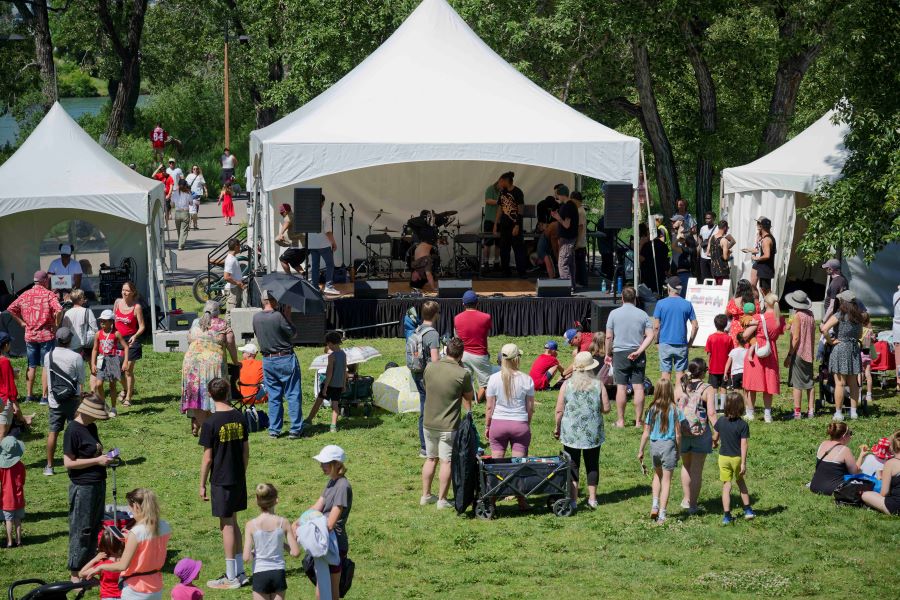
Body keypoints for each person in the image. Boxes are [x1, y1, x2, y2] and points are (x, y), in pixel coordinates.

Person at [200, 378, 250, 589]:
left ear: (210, 395)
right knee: (234, 522)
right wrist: (241, 472)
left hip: (221, 480)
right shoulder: (240, 416)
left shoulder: (210, 423)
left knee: (226, 525)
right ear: (228, 392)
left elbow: (208, 458)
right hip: (238, 477)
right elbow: (246, 451)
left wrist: (202, 483)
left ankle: (231, 577)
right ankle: (240, 572)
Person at [81, 488, 172, 600]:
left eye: (130, 508)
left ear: (136, 507)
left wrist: (100, 566)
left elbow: (122, 566)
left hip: (136, 589)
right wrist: (130, 539)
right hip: (156, 586)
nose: (131, 512)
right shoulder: (165, 526)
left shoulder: (136, 532)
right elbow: (149, 546)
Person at [63, 395, 112, 581]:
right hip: (83, 487)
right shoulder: (72, 430)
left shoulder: (91, 426)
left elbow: (95, 452)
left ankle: (89, 569)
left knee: (95, 526)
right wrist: (97, 461)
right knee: (81, 529)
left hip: (98, 482)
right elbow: (69, 463)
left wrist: (104, 458)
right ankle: (75, 573)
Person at [420, 338, 473, 509]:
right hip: (448, 424)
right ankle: (442, 500)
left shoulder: (430, 367)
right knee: (446, 462)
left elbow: (427, 387)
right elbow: (469, 397)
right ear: (461, 354)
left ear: (446, 350)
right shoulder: (462, 373)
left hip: (428, 422)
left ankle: (425, 495)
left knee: (430, 459)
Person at [554, 351, 609, 510]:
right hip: (593, 432)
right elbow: (606, 408)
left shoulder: (566, 385)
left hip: (571, 432)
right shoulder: (598, 384)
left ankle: (573, 499)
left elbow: (559, 410)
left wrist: (557, 428)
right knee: (592, 464)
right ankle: (592, 499)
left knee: (573, 464)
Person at [253, 291, 304, 439]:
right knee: (293, 394)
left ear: (263, 301)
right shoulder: (278, 316)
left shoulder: (256, 317)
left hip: (268, 360)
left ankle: (274, 430)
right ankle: (295, 429)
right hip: (285, 358)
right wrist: (288, 317)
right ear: (274, 301)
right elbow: (293, 334)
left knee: (274, 396)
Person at [6, 270, 62, 404]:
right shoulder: (49, 295)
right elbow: (59, 309)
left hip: (30, 336)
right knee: (45, 366)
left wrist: (21, 322)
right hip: (46, 336)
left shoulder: (25, 295)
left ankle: (29, 396)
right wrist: (56, 324)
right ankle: (44, 397)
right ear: (45, 281)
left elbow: (10, 309)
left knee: (31, 365)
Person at [605, 286, 655, 428]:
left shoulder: (613, 314)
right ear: (635, 299)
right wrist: (639, 351)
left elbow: (609, 336)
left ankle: (621, 421)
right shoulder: (643, 314)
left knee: (621, 387)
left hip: (620, 352)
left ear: (622, 298)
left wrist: (608, 353)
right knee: (638, 387)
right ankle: (638, 421)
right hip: (637, 353)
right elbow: (650, 335)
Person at [307, 445, 352, 600]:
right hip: (323, 541)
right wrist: (299, 522)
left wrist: (308, 530)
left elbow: (331, 523)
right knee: (321, 591)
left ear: (337, 463)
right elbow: (316, 507)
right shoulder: (331, 482)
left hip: (335, 544)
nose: (321, 466)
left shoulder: (342, 486)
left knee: (332, 593)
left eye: (325, 463)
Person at [243, 483, 300, 600]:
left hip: (260, 574)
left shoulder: (250, 525)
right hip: (278, 573)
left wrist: (255, 551)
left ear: (257, 500)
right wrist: (281, 544)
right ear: (276, 500)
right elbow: (295, 553)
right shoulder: (283, 522)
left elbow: (246, 558)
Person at [637, 380, 682, 524]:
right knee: (667, 481)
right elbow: (678, 434)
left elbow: (646, 432)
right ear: (670, 391)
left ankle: (655, 505)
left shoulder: (651, 409)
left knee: (657, 475)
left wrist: (641, 450)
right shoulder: (675, 409)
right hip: (668, 446)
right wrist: (679, 450)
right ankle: (662, 514)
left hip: (654, 445)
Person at [677, 358, 717, 515]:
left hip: (683, 430)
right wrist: (717, 432)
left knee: (686, 465)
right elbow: (712, 413)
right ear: (704, 372)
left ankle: (686, 499)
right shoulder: (708, 389)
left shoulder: (682, 386)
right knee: (697, 470)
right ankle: (693, 505)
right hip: (700, 432)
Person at [181, 301, 228, 435]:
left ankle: (205, 427)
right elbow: (229, 340)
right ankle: (212, 428)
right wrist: (235, 360)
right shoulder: (222, 323)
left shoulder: (196, 322)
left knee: (197, 396)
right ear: (217, 312)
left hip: (192, 363)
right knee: (215, 393)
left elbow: (189, 339)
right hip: (212, 364)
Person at [43, 327, 84, 476]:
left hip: (55, 401)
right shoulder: (76, 357)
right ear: (70, 340)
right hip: (73, 400)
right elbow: (81, 380)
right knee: (75, 432)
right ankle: (74, 464)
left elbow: (47, 376)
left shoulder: (48, 356)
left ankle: (49, 467)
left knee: (53, 432)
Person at [485, 344, 534, 468]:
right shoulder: (527, 379)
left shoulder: (493, 379)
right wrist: (526, 424)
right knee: (518, 467)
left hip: (498, 424)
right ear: (517, 359)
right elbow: (530, 407)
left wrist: (487, 426)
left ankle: (497, 486)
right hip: (519, 424)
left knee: (496, 465)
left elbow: (490, 407)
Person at [740, 293, 785, 422]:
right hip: (771, 351)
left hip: (757, 350)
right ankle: (767, 414)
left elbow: (745, 335)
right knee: (768, 384)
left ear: (765, 303)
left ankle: (750, 413)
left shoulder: (758, 317)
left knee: (752, 384)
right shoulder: (780, 319)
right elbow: (780, 332)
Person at [821, 291, 864, 421]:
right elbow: (860, 334)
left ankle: (839, 413)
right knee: (853, 383)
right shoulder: (859, 317)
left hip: (840, 348)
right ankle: (854, 412)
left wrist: (830, 341)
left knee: (840, 383)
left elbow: (824, 329)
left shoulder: (840, 315)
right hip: (853, 349)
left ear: (843, 302)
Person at [714, 392, 755, 524]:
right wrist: (743, 463)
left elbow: (715, 437)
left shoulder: (720, 421)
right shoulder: (743, 425)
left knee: (727, 485)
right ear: (741, 407)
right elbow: (744, 444)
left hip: (723, 457)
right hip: (737, 458)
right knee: (741, 482)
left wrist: (714, 443)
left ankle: (726, 516)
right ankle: (748, 510)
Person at [653, 276, 699, 388]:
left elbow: (656, 326)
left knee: (665, 374)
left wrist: (656, 341)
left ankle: (665, 399)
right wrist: (690, 343)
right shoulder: (687, 304)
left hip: (665, 342)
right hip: (681, 343)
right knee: (680, 374)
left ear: (669, 288)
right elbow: (695, 326)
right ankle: (679, 399)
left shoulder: (660, 303)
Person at [409, 301, 440, 457]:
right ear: (436, 315)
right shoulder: (432, 334)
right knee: (432, 409)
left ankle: (424, 447)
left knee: (424, 408)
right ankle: (431, 445)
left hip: (416, 372)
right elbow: (435, 360)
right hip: (428, 375)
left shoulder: (418, 329)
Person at [454, 290, 492, 403]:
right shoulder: (486, 317)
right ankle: (484, 403)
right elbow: (485, 335)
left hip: (463, 354)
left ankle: (474, 402)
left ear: (463, 304)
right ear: (477, 303)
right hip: (480, 355)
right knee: (488, 383)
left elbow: (457, 337)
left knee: (466, 383)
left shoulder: (457, 318)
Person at [785, 290, 817, 419]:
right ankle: (811, 411)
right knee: (809, 383)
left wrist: (789, 355)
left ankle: (797, 412)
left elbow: (796, 338)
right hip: (809, 353)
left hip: (799, 353)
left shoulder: (798, 316)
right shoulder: (810, 314)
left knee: (797, 384)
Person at [307, 331, 347, 433]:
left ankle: (309, 420)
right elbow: (344, 371)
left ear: (331, 343)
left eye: (328, 344)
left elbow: (329, 374)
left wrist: (325, 388)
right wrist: (343, 384)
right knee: (335, 405)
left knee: (318, 402)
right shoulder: (343, 354)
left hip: (329, 385)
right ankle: (333, 426)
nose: (327, 346)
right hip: (338, 385)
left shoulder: (331, 356)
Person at [91, 309, 129, 415]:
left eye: (105, 320)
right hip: (101, 360)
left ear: (111, 322)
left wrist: (125, 361)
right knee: (99, 384)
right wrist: (93, 363)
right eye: (101, 320)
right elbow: (95, 349)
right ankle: (103, 404)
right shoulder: (98, 334)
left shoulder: (116, 334)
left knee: (112, 385)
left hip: (113, 360)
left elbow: (126, 347)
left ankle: (113, 408)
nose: (102, 322)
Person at [114, 281, 144, 407]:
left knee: (127, 371)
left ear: (133, 292)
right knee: (117, 371)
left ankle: (128, 397)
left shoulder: (136, 307)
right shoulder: (117, 303)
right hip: (117, 340)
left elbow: (142, 327)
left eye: (127, 290)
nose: (124, 292)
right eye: (123, 290)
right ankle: (126, 388)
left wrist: (135, 336)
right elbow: (112, 320)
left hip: (131, 341)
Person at [810, 422, 859, 495]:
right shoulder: (844, 450)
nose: (851, 436)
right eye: (850, 433)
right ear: (843, 436)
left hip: (815, 486)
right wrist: (862, 455)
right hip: (833, 489)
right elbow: (855, 473)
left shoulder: (823, 444)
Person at [307, 195, 340, 296]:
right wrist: (333, 243)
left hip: (312, 245)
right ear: (322, 203)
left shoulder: (309, 214)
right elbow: (328, 232)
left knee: (315, 266)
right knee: (330, 264)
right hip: (323, 244)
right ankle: (329, 286)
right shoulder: (325, 215)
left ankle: (315, 287)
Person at [860, 432, 900, 515]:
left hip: (895, 506)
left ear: (892, 447)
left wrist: (880, 477)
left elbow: (884, 493)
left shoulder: (890, 463)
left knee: (865, 494)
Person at [78, 526, 124, 598]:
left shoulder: (103, 564)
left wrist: (95, 559)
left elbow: (81, 574)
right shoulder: (126, 561)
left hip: (107, 596)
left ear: (103, 545)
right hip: (125, 595)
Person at [497, 171, 527, 278]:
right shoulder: (502, 193)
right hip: (504, 225)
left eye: (501, 181)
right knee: (504, 249)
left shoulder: (518, 192)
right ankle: (505, 271)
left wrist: (517, 225)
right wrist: (496, 223)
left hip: (514, 225)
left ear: (506, 181)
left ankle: (522, 272)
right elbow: (500, 208)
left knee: (518, 249)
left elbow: (521, 210)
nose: (500, 183)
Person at [0, 431, 25, 547]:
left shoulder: (2, 468)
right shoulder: (21, 466)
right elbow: (22, 481)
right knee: (18, 519)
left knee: (8, 520)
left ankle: (9, 542)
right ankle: (19, 541)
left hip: (6, 498)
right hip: (19, 497)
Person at [550, 185, 578, 289]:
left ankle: (566, 287)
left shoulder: (568, 206)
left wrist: (558, 217)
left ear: (562, 195)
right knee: (570, 263)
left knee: (562, 263)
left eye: (557, 195)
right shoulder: (569, 205)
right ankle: (571, 285)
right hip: (569, 238)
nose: (557, 197)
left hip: (567, 239)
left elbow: (566, 225)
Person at [705, 314, 734, 412]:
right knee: (723, 387)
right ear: (726, 325)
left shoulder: (711, 337)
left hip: (713, 367)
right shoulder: (729, 338)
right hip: (726, 368)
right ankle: (722, 407)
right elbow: (731, 354)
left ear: (715, 324)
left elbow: (709, 353)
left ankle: (715, 407)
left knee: (714, 388)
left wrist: (708, 365)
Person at [742, 217, 776, 295]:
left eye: (758, 223)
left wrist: (757, 258)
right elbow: (758, 249)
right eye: (757, 223)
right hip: (759, 263)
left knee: (764, 290)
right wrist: (749, 250)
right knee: (753, 285)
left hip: (763, 263)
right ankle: (757, 304)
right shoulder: (759, 235)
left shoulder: (767, 238)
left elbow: (767, 254)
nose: (757, 225)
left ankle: (769, 305)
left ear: (761, 225)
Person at [62, 289, 97, 361]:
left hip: (72, 344)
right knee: (91, 363)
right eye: (83, 297)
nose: (85, 298)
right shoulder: (87, 311)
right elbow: (95, 328)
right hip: (87, 343)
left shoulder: (67, 313)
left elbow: (64, 330)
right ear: (80, 299)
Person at [0, 332, 22, 441]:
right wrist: (16, 405)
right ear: (6, 345)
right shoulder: (4, 361)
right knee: (2, 434)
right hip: (3, 401)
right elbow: (10, 387)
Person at [275, 203, 307, 275]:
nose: (282, 214)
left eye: (282, 213)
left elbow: (287, 221)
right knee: (294, 263)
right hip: (305, 246)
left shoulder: (288, 217)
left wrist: (280, 234)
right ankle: (304, 274)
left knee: (282, 259)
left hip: (298, 246)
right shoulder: (295, 216)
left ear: (285, 211)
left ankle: (290, 278)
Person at [638, 223, 669, 295]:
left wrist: (641, 245)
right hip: (660, 274)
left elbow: (640, 259)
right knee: (658, 292)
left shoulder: (647, 245)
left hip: (648, 274)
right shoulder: (664, 245)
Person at [726, 279, 758, 346]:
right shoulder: (754, 301)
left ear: (738, 289)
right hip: (749, 327)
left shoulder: (733, 301)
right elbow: (757, 314)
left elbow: (727, 314)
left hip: (736, 328)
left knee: (736, 347)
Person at [535, 194, 560, 278]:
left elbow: (554, 240)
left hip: (546, 238)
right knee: (548, 259)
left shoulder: (554, 224)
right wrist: (556, 253)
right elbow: (553, 240)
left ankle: (552, 277)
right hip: (546, 238)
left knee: (549, 259)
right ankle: (552, 277)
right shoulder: (541, 206)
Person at [671, 216, 696, 294]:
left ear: (681, 222)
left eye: (674, 221)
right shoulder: (674, 235)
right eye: (672, 221)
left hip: (684, 272)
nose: (672, 223)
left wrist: (680, 236)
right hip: (676, 270)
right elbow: (674, 252)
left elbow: (674, 247)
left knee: (681, 294)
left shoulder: (686, 235)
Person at [724, 336, 748, 416]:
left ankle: (736, 409)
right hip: (745, 373)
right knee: (746, 393)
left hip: (735, 374)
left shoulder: (733, 351)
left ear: (737, 341)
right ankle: (746, 410)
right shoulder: (747, 351)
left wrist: (725, 373)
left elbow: (728, 363)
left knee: (736, 393)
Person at [223, 239, 246, 319]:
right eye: (239, 246)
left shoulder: (232, 258)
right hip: (233, 290)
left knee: (236, 312)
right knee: (231, 313)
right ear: (236, 246)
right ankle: (227, 330)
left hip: (235, 288)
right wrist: (238, 283)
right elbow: (226, 277)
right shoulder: (231, 260)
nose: (240, 248)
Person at [482, 177, 501, 269]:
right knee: (487, 243)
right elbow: (487, 200)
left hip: (500, 221)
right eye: (501, 185)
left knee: (498, 244)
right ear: (498, 183)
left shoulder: (503, 191)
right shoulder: (490, 189)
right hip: (489, 220)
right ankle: (486, 262)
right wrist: (499, 202)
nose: (502, 187)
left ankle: (497, 261)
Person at [570, 191, 588, 287]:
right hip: (580, 242)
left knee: (579, 264)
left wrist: (576, 242)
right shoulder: (580, 210)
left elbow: (580, 227)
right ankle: (581, 282)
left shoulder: (580, 211)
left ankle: (582, 282)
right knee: (579, 263)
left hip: (579, 242)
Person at [708, 220, 732, 285]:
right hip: (722, 270)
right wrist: (729, 253)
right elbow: (725, 257)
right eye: (727, 228)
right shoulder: (724, 240)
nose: (727, 230)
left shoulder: (711, 238)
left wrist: (716, 255)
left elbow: (708, 253)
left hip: (713, 269)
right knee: (723, 290)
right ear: (725, 227)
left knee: (716, 289)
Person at [860, 313, 874, 406]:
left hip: (860, 353)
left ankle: (859, 392)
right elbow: (872, 341)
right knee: (868, 374)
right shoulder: (870, 330)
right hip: (867, 353)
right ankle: (869, 394)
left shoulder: (859, 330)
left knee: (860, 373)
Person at [186, 166, 207, 230]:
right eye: (194, 169)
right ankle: (190, 225)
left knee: (195, 210)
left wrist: (206, 191)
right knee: (191, 210)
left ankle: (194, 224)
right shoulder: (189, 176)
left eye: (196, 169)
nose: (195, 170)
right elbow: (185, 183)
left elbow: (204, 184)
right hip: (190, 194)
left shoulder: (200, 176)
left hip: (197, 195)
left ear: (198, 169)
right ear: (192, 170)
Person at [698, 211, 717, 281]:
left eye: (709, 218)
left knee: (714, 276)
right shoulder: (703, 228)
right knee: (704, 276)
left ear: (714, 218)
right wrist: (700, 244)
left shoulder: (717, 228)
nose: (707, 220)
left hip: (713, 257)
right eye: (706, 218)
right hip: (703, 256)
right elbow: (699, 237)